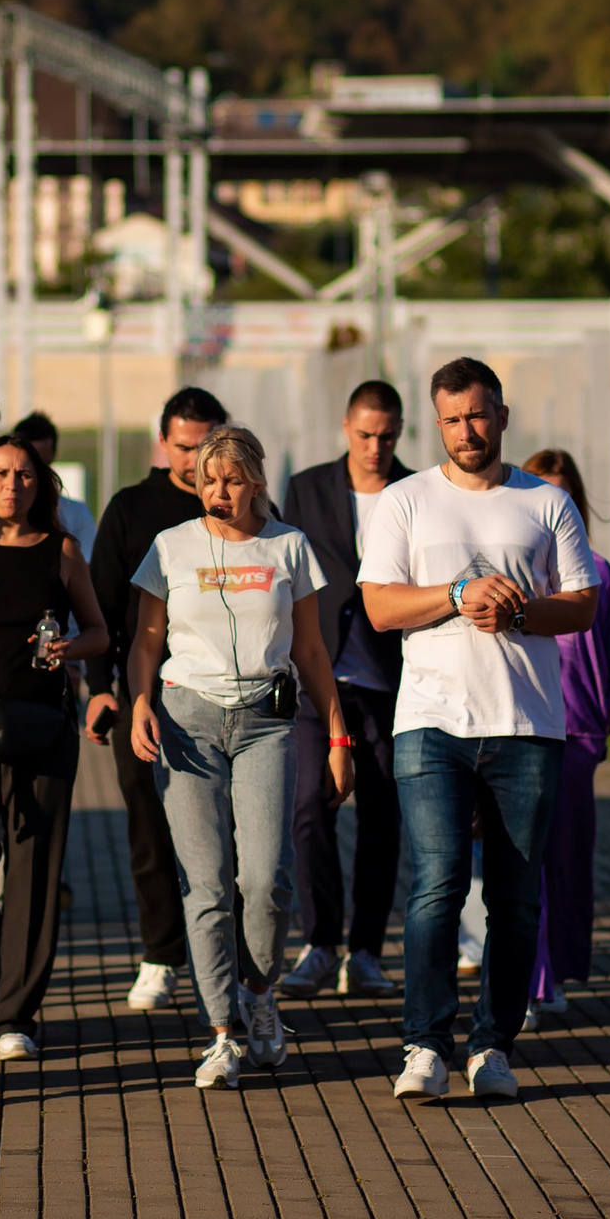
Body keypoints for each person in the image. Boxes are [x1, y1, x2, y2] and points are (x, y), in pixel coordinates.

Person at [358, 359, 599, 1102]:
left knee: (518, 897)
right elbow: (379, 607)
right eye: (455, 418)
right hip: (430, 722)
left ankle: (492, 1044)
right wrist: (458, 593)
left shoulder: (546, 500)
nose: (469, 430)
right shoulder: (404, 500)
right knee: (437, 884)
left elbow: (583, 604)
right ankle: (424, 1044)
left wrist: (520, 611)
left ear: (502, 414)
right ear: (438, 422)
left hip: (526, 725)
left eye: (481, 414)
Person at [127, 426, 349, 1087]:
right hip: (187, 717)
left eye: (231, 479)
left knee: (267, 878)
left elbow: (310, 651)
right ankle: (222, 1030)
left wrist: (338, 735)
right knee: (206, 882)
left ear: (255, 479)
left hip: (267, 721)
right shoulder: (170, 547)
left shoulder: (289, 546)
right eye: (206, 479)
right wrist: (140, 701)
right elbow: (144, 641)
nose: (217, 492)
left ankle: (260, 993)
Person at [0, 432, 109, 1061]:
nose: (13, 485)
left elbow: (99, 632)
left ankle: (13, 1017)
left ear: (42, 484)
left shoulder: (61, 551)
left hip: (43, 731)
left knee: (34, 880)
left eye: (25, 475)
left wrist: (68, 649)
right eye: (1, 474)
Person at [87, 386, 230, 1010]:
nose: (197, 462)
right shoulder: (130, 508)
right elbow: (98, 608)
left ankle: (227, 963)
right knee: (150, 833)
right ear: (161, 443)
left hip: (227, 698)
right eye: (185, 448)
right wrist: (101, 691)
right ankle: (161, 955)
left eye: (208, 448)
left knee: (226, 840)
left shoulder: (243, 508)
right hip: (145, 695)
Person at [275, 381, 411, 1001]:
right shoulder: (306, 487)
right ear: (345, 428)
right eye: (365, 435)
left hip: (392, 680)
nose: (375, 447)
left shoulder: (419, 490)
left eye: (386, 436)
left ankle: (367, 952)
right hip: (316, 675)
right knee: (309, 805)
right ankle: (321, 942)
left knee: (383, 816)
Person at [519, 448, 610, 1020]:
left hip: (580, 733)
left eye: (565, 495)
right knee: (525, 858)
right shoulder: (520, 571)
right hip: (529, 724)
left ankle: (558, 969)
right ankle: (530, 981)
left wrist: (608, 713)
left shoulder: (599, 572)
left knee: (567, 860)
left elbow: (608, 650)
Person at [10, 410, 99, 554]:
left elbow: (86, 566)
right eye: (26, 467)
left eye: (42, 464)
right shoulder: (1, 514)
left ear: (52, 456)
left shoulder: (77, 514)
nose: (35, 472)